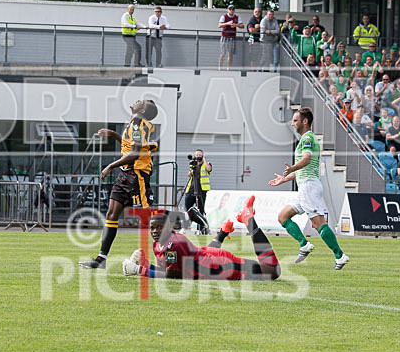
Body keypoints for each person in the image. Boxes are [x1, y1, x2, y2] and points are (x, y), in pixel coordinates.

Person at [80, 100, 159, 269]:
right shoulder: (132, 125)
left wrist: (110, 166)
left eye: (141, 101)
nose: (137, 101)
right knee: (111, 214)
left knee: (149, 220)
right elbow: (128, 144)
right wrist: (113, 134)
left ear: (142, 110)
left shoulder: (139, 126)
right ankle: (101, 260)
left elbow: (135, 153)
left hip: (137, 175)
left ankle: (171, 257)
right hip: (125, 175)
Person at [121, 198, 281, 281]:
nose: (155, 232)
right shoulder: (159, 244)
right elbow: (167, 269)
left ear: (169, 228)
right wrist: (147, 264)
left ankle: (248, 218)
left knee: (273, 271)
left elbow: (172, 276)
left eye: (159, 228)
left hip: (221, 264)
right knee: (199, 260)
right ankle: (223, 232)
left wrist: (138, 270)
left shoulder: (174, 244)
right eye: (152, 228)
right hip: (207, 257)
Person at [268, 108, 349, 269]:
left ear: (305, 121)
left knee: (319, 224)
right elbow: (303, 168)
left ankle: (339, 255)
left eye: (295, 120)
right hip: (305, 185)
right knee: (283, 216)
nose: (292, 123)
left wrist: (292, 169)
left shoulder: (308, 138)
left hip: (309, 187)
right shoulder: (306, 139)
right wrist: (284, 179)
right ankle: (304, 244)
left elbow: (306, 159)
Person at [184, 149, 212, 232]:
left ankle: (200, 229)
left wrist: (204, 159)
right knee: (187, 209)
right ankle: (185, 227)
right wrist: (191, 169)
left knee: (200, 210)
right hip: (191, 190)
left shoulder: (206, 164)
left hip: (201, 191)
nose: (198, 156)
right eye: (196, 155)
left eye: (200, 155)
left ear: (202, 155)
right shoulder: (193, 165)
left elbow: (208, 169)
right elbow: (189, 175)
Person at [218, 5, 243, 71]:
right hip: (224, 37)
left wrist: (236, 25)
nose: (231, 10)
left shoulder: (237, 17)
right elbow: (219, 25)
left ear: (234, 10)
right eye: (230, 9)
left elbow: (242, 25)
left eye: (232, 9)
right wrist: (227, 23)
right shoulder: (224, 16)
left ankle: (228, 68)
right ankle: (220, 67)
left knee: (230, 53)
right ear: (228, 10)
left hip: (232, 37)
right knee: (223, 53)